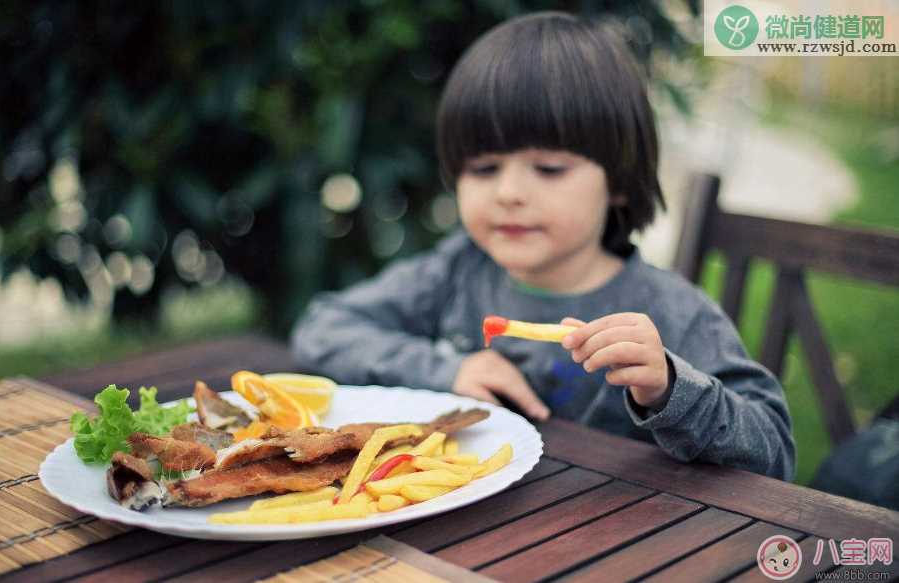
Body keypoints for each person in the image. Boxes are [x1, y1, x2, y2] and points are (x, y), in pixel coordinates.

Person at [291, 11, 795, 480]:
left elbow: (774, 453)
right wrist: (451, 368)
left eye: (549, 169)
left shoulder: (671, 311)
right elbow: (324, 327)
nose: (508, 193)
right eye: (484, 169)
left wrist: (668, 387)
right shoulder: (459, 270)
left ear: (618, 181)